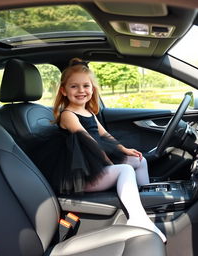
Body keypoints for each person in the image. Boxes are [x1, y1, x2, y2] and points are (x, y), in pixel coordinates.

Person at [51, 57, 166, 242]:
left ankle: (145, 202)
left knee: (139, 160)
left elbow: (105, 135)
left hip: (97, 165)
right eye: (74, 87)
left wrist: (124, 149)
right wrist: (105, 158)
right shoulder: (67, 115)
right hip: (83, 175)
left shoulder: (89, 112)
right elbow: (86, 138)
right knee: (125, 169)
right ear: (64, 90)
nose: (81, 91)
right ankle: (137, 218)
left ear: (92, 89)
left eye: (86, 86)